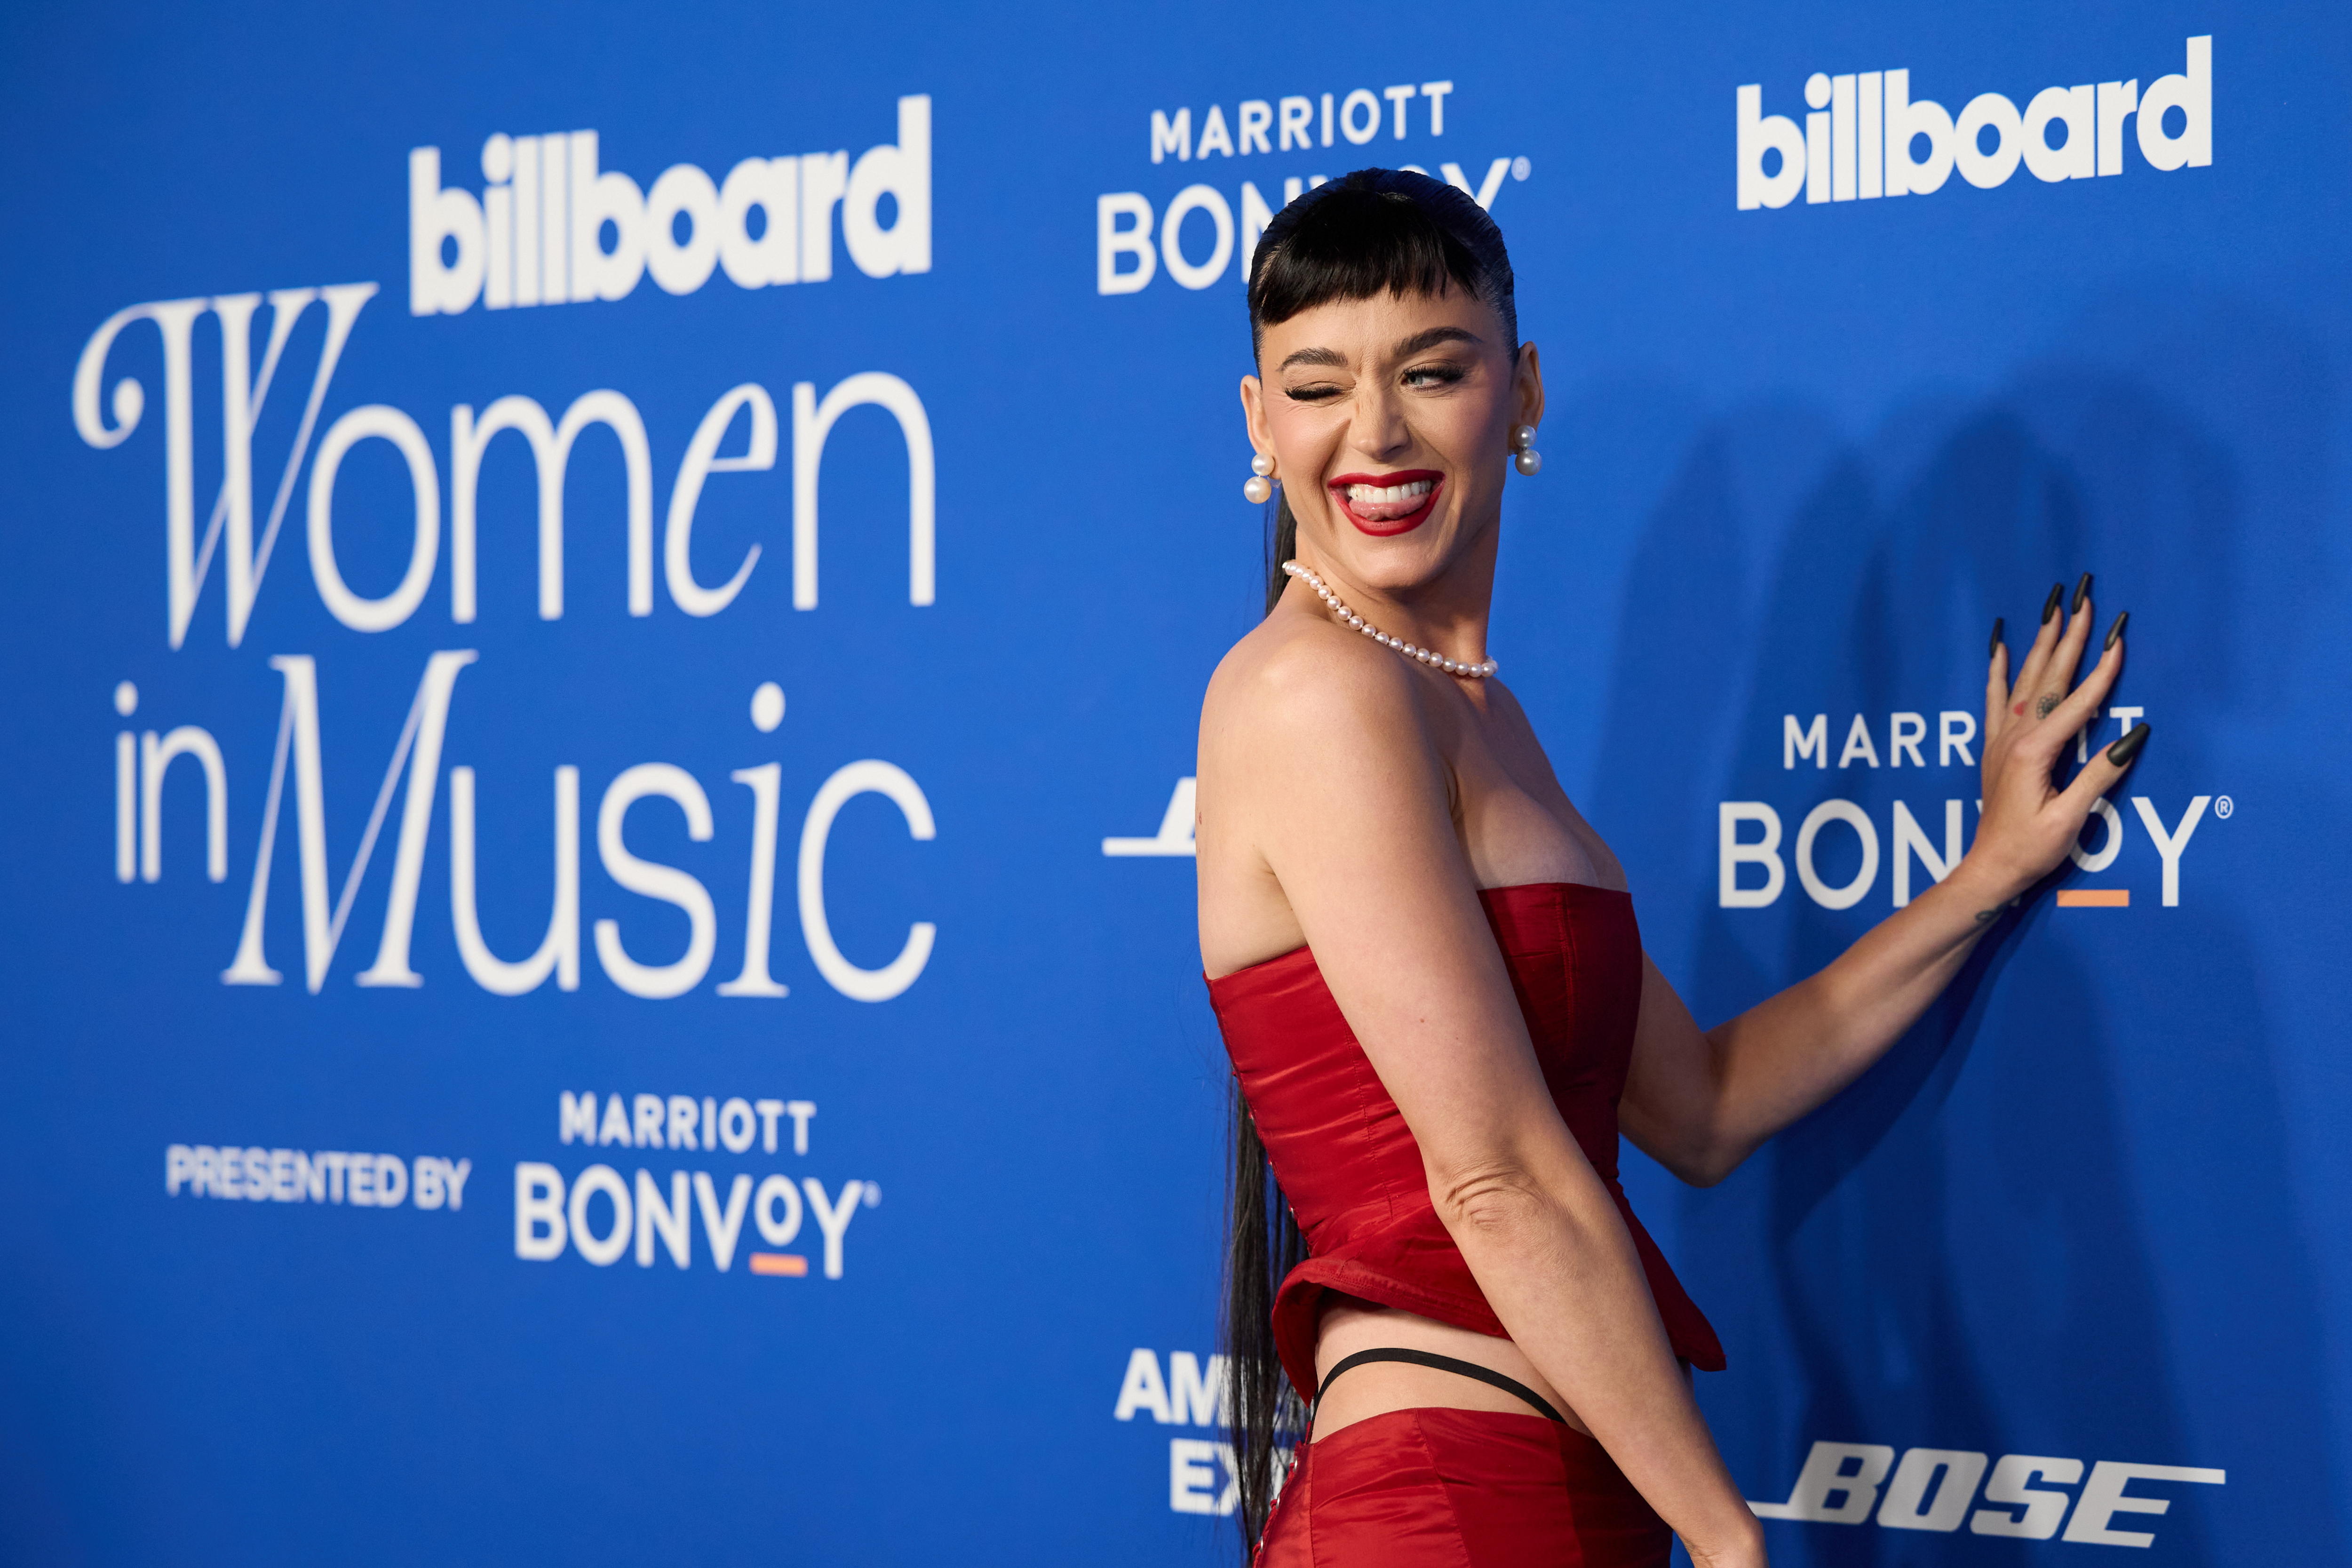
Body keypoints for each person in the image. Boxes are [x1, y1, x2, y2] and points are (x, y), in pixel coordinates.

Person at [1194, 170, 2143, 1568]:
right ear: (1259, 422)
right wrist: (1731, 1538)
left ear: (1519, 390)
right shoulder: (1310, 696)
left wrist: (1984, 872)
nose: (1375, 433)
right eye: (1318, 384)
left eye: (1433, 371)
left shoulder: (1468, 709)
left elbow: (1701, 1107)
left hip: (1572, 1473)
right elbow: (1496, 1181)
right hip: (1443, 1501)